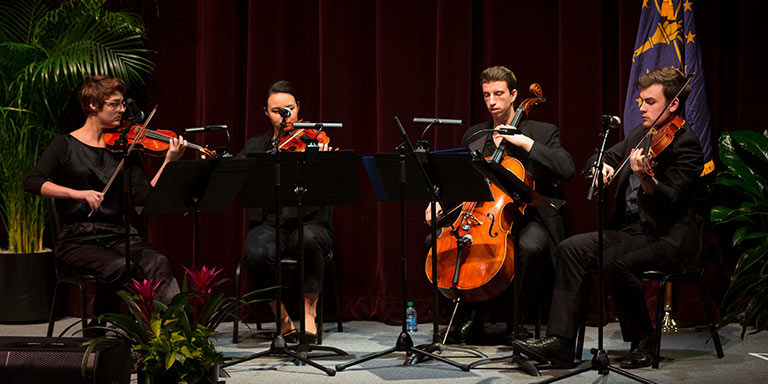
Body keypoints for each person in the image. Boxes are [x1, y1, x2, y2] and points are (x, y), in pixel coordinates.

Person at [510, 67, 704, 369]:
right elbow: (600, 157)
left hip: (667, 236)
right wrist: (600, 168)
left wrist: (647, 178)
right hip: (631, 231)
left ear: (673, 104)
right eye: (640, 101)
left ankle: (644, 339)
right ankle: (561, 343)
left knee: (616, 264)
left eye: (649, 102)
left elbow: (674, 199)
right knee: (571, 248)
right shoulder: (641, 135)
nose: (641, 108)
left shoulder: (686, 144)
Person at [426, 66, 575, 344]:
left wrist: (526, 143)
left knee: (530, 247)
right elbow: (457, 179)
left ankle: (515, 323)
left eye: (498, 94)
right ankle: (467, 318)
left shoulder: (541, 132)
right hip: (483, 216)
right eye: (486, 95)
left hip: (531, 216)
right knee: (437, 242)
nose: (492, 102)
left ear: (514, 94)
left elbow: (567, 168)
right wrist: (437, 200)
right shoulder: (475, 135)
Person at [23, 75, 186, 315]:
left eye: (121, 103)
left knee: (158, 262)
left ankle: (166, 335)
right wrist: (77, 194)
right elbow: (32, 182)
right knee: (120, 267)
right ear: (93, 105)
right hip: (78, 241)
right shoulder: (65, 145)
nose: (122, 109)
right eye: (115, 104)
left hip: (119, 236)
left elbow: (143, 196)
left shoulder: (125, 147)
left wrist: (168, 163)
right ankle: (98, 333)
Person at [238, 80, 334, 344]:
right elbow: (236, 176)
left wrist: (322, 162)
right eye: (277, 111)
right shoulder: (257, 146)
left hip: (311, 220)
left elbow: (333, 184)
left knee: (309, 239)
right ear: (266, 113)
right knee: (256, 253)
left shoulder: (313, 140)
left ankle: (309, 312)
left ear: (298, 108)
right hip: (270, 223)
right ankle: (281, 317)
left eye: (289, 109)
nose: (285, 116)